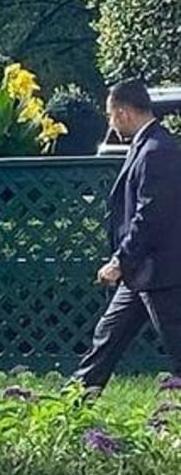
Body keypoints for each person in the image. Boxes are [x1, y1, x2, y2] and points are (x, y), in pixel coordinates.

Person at [70, 79, 181, 395]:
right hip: (141, 273)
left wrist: (120, 260)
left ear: (124, 112)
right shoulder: (147, 146)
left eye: (110, 115)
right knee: (106, 336)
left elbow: (149, 217)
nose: (110, 122)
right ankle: (70, 408)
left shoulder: (158, 151)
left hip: (160, 274)